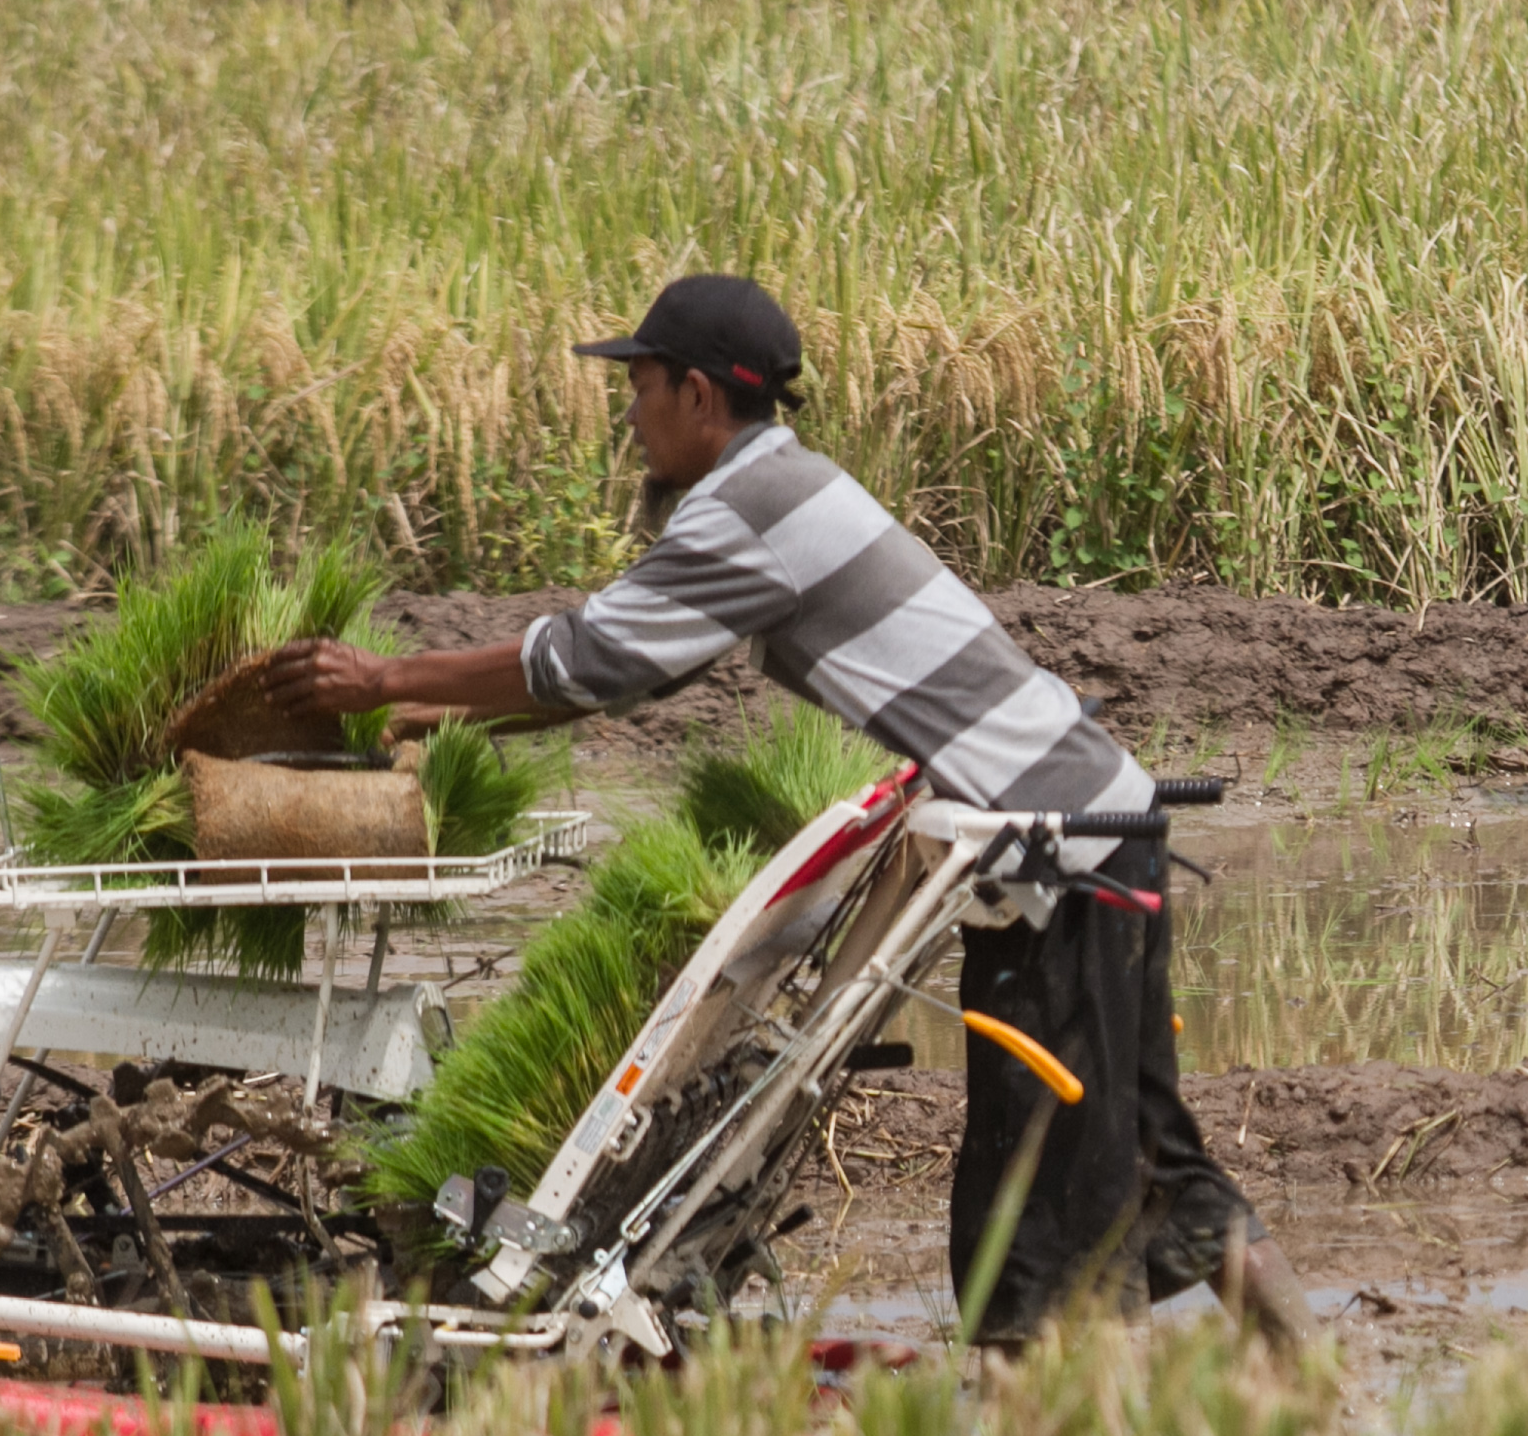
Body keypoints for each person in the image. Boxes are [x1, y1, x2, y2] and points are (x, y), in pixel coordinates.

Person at [251, 273, 1306, 1351]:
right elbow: (632, 678)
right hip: (1104, 816)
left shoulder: (743, 510)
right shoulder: (782, 486)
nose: (630, 413)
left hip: (1050, 853)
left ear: (699, 395)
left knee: (1029, 1214)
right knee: (1153, 1160)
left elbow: (588, 658)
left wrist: (382, 679)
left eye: (642, 385)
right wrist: (428, 714)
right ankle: (1311, 1393)